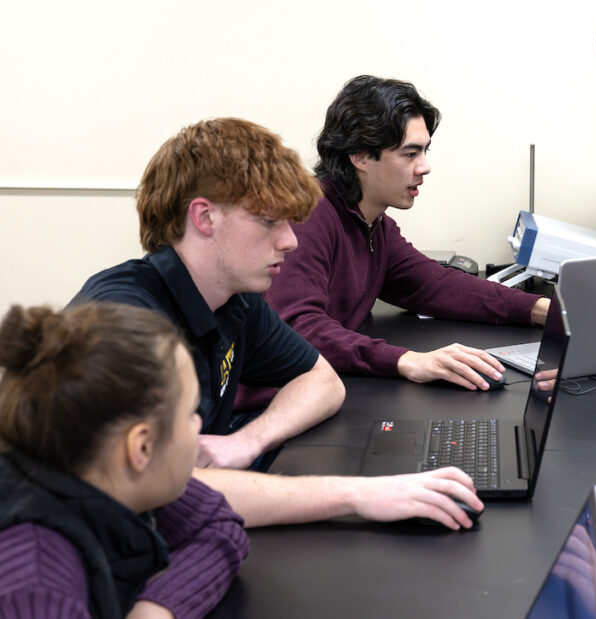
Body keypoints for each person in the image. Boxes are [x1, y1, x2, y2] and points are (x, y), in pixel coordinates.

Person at [72, 118, 482, 530]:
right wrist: (356, 494)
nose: (290, 241)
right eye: (270, 222)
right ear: (204, 217)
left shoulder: (234, 298)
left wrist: (246, 442)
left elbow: (323, 380)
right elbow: (161, 492)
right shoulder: (122, 322)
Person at [242, 75, 547, 405]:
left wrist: (544, 310)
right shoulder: (310, 216)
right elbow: (300, 328)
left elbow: (437, 285)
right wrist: (407, 360)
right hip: (260, 408)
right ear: (360, 156)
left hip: (315, 389)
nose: (424, 167)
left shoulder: (374, 225)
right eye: (410, 154)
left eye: (424, 151)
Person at [0, 302, 249, 618]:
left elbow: (218, 525)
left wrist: (156, 609)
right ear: (142, 447)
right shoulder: (35, 592)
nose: (198, 424)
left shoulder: (95, 473)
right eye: (190, 414)